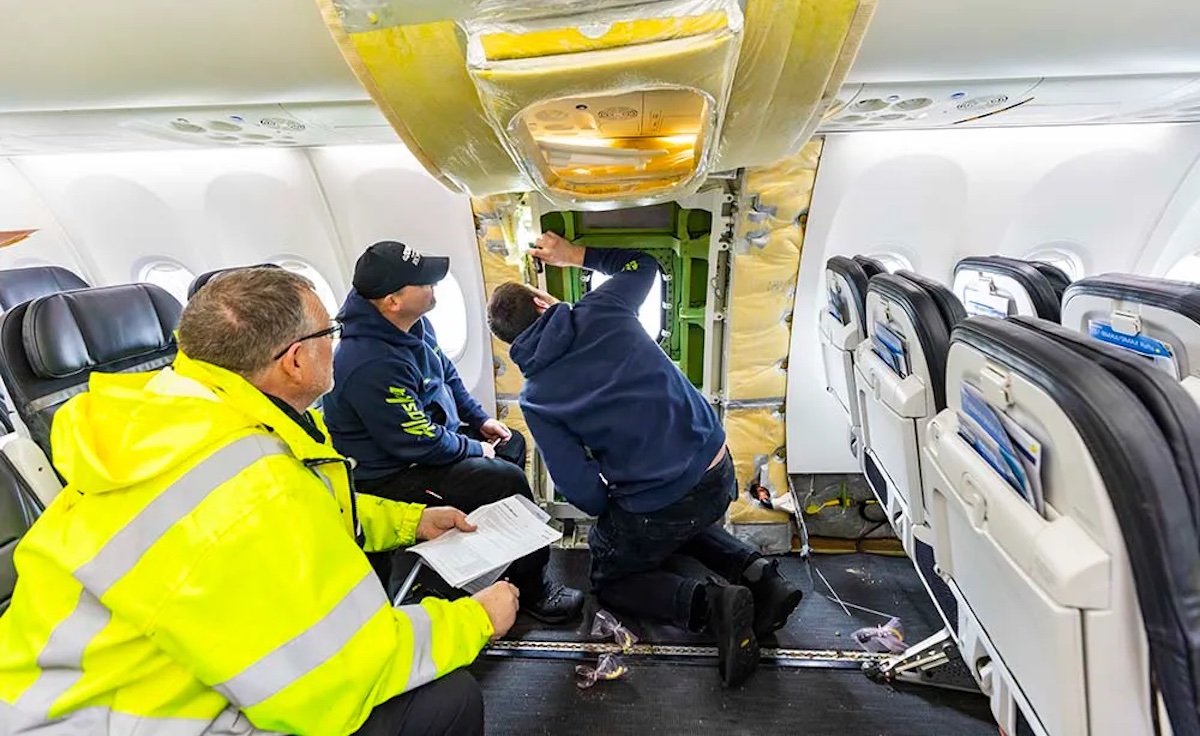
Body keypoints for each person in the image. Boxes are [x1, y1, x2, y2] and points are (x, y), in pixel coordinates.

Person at [0, 267, 520, 736]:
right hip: (111, 717)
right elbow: (335, 678)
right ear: (296, 360)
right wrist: (476, 619)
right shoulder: (249, 485)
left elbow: (312, 503)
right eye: (329, 334)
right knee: (446, 702)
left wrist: (412, 522)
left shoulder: (177, 411)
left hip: (96, 681)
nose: (337, 345)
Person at [486, 233, 805, 688]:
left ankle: (710, 605)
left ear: (509, 345)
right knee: (666, 518)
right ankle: (761, 577)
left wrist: (615, 498)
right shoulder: (605, 306)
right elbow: (646, 264)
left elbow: (584, 495)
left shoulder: (536, 399)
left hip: (666, 503)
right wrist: (574, 256)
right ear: (541, 303)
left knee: (610, 569)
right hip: (718, 467)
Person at [323, 241, 584, 624]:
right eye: (423, 281)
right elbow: (416, 442)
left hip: (425, 444)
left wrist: (480, 421)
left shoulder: (414, 324)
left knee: (511, 444)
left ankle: (493, 562)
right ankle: (533, 590)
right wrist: (474, 449)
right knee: (505, 480)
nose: (434, 285)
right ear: (393, 300)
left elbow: (446, 374)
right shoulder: (368, 363)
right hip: (393, 475)